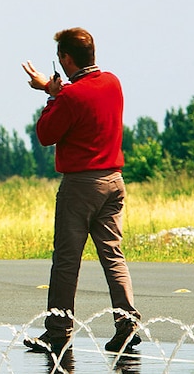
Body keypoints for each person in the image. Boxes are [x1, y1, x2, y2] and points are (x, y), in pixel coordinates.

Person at [21, 28, 141, 355]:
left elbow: (47, 133)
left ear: (65, 59)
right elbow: (86, 99)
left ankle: (58, 331)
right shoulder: (112, 83)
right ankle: (127, 323)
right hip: (114, 181)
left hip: (81, 184)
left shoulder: (70, 97)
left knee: (66, 261)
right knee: (112, 255)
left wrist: (51, 95)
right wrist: (54, 88)